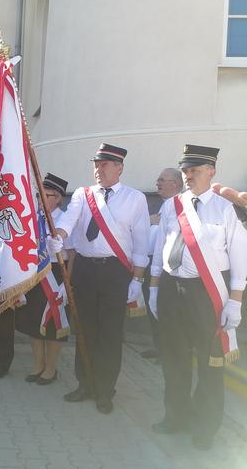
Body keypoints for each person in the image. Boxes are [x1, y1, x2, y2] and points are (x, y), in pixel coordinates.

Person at [149, 144, 246, 450]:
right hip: (170, 288)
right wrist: (153, 288)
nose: (188, 175)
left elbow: (241, 258)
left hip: (207, 293)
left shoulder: (225, 208)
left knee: (210, 363)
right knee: (174, 359)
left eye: (195, 170)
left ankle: (205, 427)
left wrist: (235, 300)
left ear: (211, 172)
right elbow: (160, 250)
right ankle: (175, 417)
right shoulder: (171, 206)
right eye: (185, 170)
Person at [53, 143, 149, 414]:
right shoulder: (83, 195)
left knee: (109, 333)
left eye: (104, 164)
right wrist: (58, 236)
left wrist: (137, 280)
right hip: (84, 268)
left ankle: (105, 390)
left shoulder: (135, 198)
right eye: (96, 164)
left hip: (115, 271)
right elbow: (69, 220)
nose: (98, 169)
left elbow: (141, 243)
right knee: (84, 329)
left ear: (119, 167)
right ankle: (85, 384)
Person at [15, 173, 73, 385]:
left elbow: (73, 254)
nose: (40, 199)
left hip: (57, 273)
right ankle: (37, 365)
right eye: (39, 194)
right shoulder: (33, 218)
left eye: (45, 195)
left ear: (57, 197)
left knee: (54, 322)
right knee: (34, 322)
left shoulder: (65, 219)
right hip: (35, 273)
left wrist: (68, 284)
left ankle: (51, 368)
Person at [141, 168, 184, 359]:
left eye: (162, 180)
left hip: (169, 267)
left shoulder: (180, 207)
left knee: (166, 310)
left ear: (175, 184)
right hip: (152, 264)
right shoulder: (163, 206)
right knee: (153, 308)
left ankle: (169, 351)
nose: (157, 183)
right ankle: (160, 346)